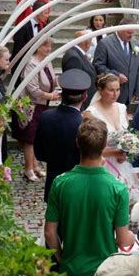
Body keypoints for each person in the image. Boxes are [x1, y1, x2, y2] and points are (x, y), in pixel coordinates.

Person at [45, 117, 135, 276]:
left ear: (77, 143)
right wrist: (133, 237)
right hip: (104, 273)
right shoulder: (117, 188)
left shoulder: (60, 183)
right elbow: (122, 240)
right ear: (104, 146)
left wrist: (62, 258)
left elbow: (49, 232)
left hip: (72, 270)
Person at [34, 69, 91, 202]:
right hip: (78, 186)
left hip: (54, 182)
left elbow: (39, 153)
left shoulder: (46, 117)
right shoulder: (85, 124)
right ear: (85, 97)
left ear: (61, 94)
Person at [84, 74, 139, 201]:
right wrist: (115, 153)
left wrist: (129, 151)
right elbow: (89, 148)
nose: (115, 94)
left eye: (118, 89)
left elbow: (128, 134)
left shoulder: (122, 108)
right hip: (102, 164)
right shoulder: (90, 113)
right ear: (100, 90)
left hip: (123, 163)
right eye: (111, 90)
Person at [12, 38, 60, 182]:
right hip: (31, 106)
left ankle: (35, 164)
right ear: (38, 47)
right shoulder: (31, 64)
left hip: (42, 106)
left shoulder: (47, 61)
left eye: (50, 46)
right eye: (46, 46)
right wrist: (50, 96)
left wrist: (58, 87)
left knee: (36, 137)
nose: (49, 49)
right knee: (29, 139)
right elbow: (32, 89)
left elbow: (53, 79)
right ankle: (28, 168)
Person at [93, 18, 139, 105]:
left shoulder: (136, 44)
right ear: (119, 30)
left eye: (133, 33)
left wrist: (138, 91)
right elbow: (98, 65)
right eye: (128, 32)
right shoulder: (105, 44)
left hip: (129, 93)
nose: (131, 36)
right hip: (110, 93)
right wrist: (115, 75)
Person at [11, 0, 50, 77]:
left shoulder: (40, 26)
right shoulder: (23, 27)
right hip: (22, 68)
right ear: (38, 12)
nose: (47, 16)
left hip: (33, 67)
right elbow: (18, 50)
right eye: (46, 13)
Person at [61, 30, 97, 108]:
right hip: (79, 105)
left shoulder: (76, 54)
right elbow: (75, 87)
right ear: (87, 43)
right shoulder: (74, 57)